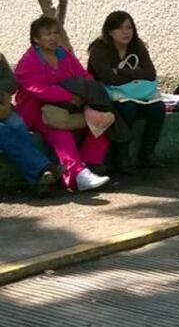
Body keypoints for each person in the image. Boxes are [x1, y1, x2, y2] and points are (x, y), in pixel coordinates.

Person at [14, 16, 110, 192]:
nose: (53, 37)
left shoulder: (63, 54)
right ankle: (76, 174)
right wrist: (68, 96)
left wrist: (88, 91)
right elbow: (36, 88)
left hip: (70, 107)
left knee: (101, 122)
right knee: (59, 132)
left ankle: (89, 165)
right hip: (38, 112)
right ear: (36, 38)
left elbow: (83, 75)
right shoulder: (29, 61)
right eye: (47, 34)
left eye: (55, 32)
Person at [87, 11, 166, 172]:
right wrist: (136, 75)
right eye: (120, 28)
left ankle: (147, 152)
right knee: (127, 108)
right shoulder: (99, 49)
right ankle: (121, 156)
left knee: (158, 108)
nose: (126, 32)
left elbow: (150, 74)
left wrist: (120, 71)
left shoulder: (137, 46)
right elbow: (109, 79)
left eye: (129, 27)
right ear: (110, 31)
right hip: (107, 97)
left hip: (135, 95)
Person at [1, 52, 60, 196]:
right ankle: (44, 170)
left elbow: (12, 84)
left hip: (3, 109)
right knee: (2, 130)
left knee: (18, 125)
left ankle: (38, 180)